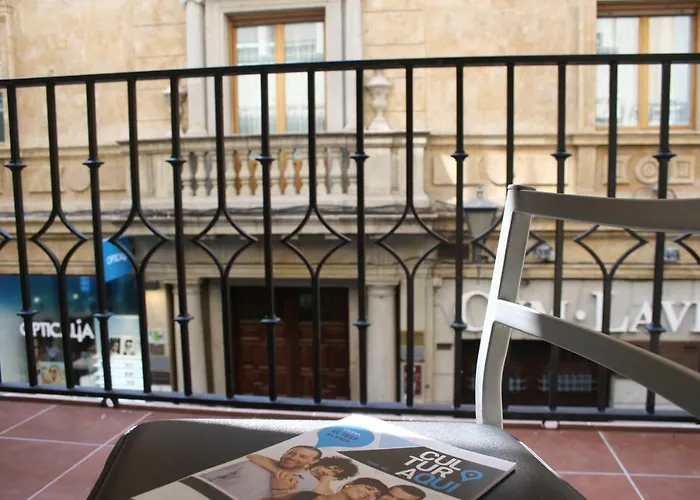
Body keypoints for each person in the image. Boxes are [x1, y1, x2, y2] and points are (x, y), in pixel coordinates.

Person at [198, 445, 322, 499]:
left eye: (302, 457)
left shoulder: (311, 484)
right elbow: (205, 477)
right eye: (291, 453)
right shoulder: (253, 463)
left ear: (313, 461)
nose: (293, 457)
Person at [253, 455, 359, 498]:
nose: (327, 472)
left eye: (334, 473)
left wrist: (325, 481)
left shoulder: (328, 491)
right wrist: (281, 472)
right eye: (330, 467)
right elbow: (254, 456)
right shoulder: (295, 467)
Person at [281, 477, 388, 500]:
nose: (370, 494)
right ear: (350, 484)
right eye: (369, 488)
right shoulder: (307, 495)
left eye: (376, 495)